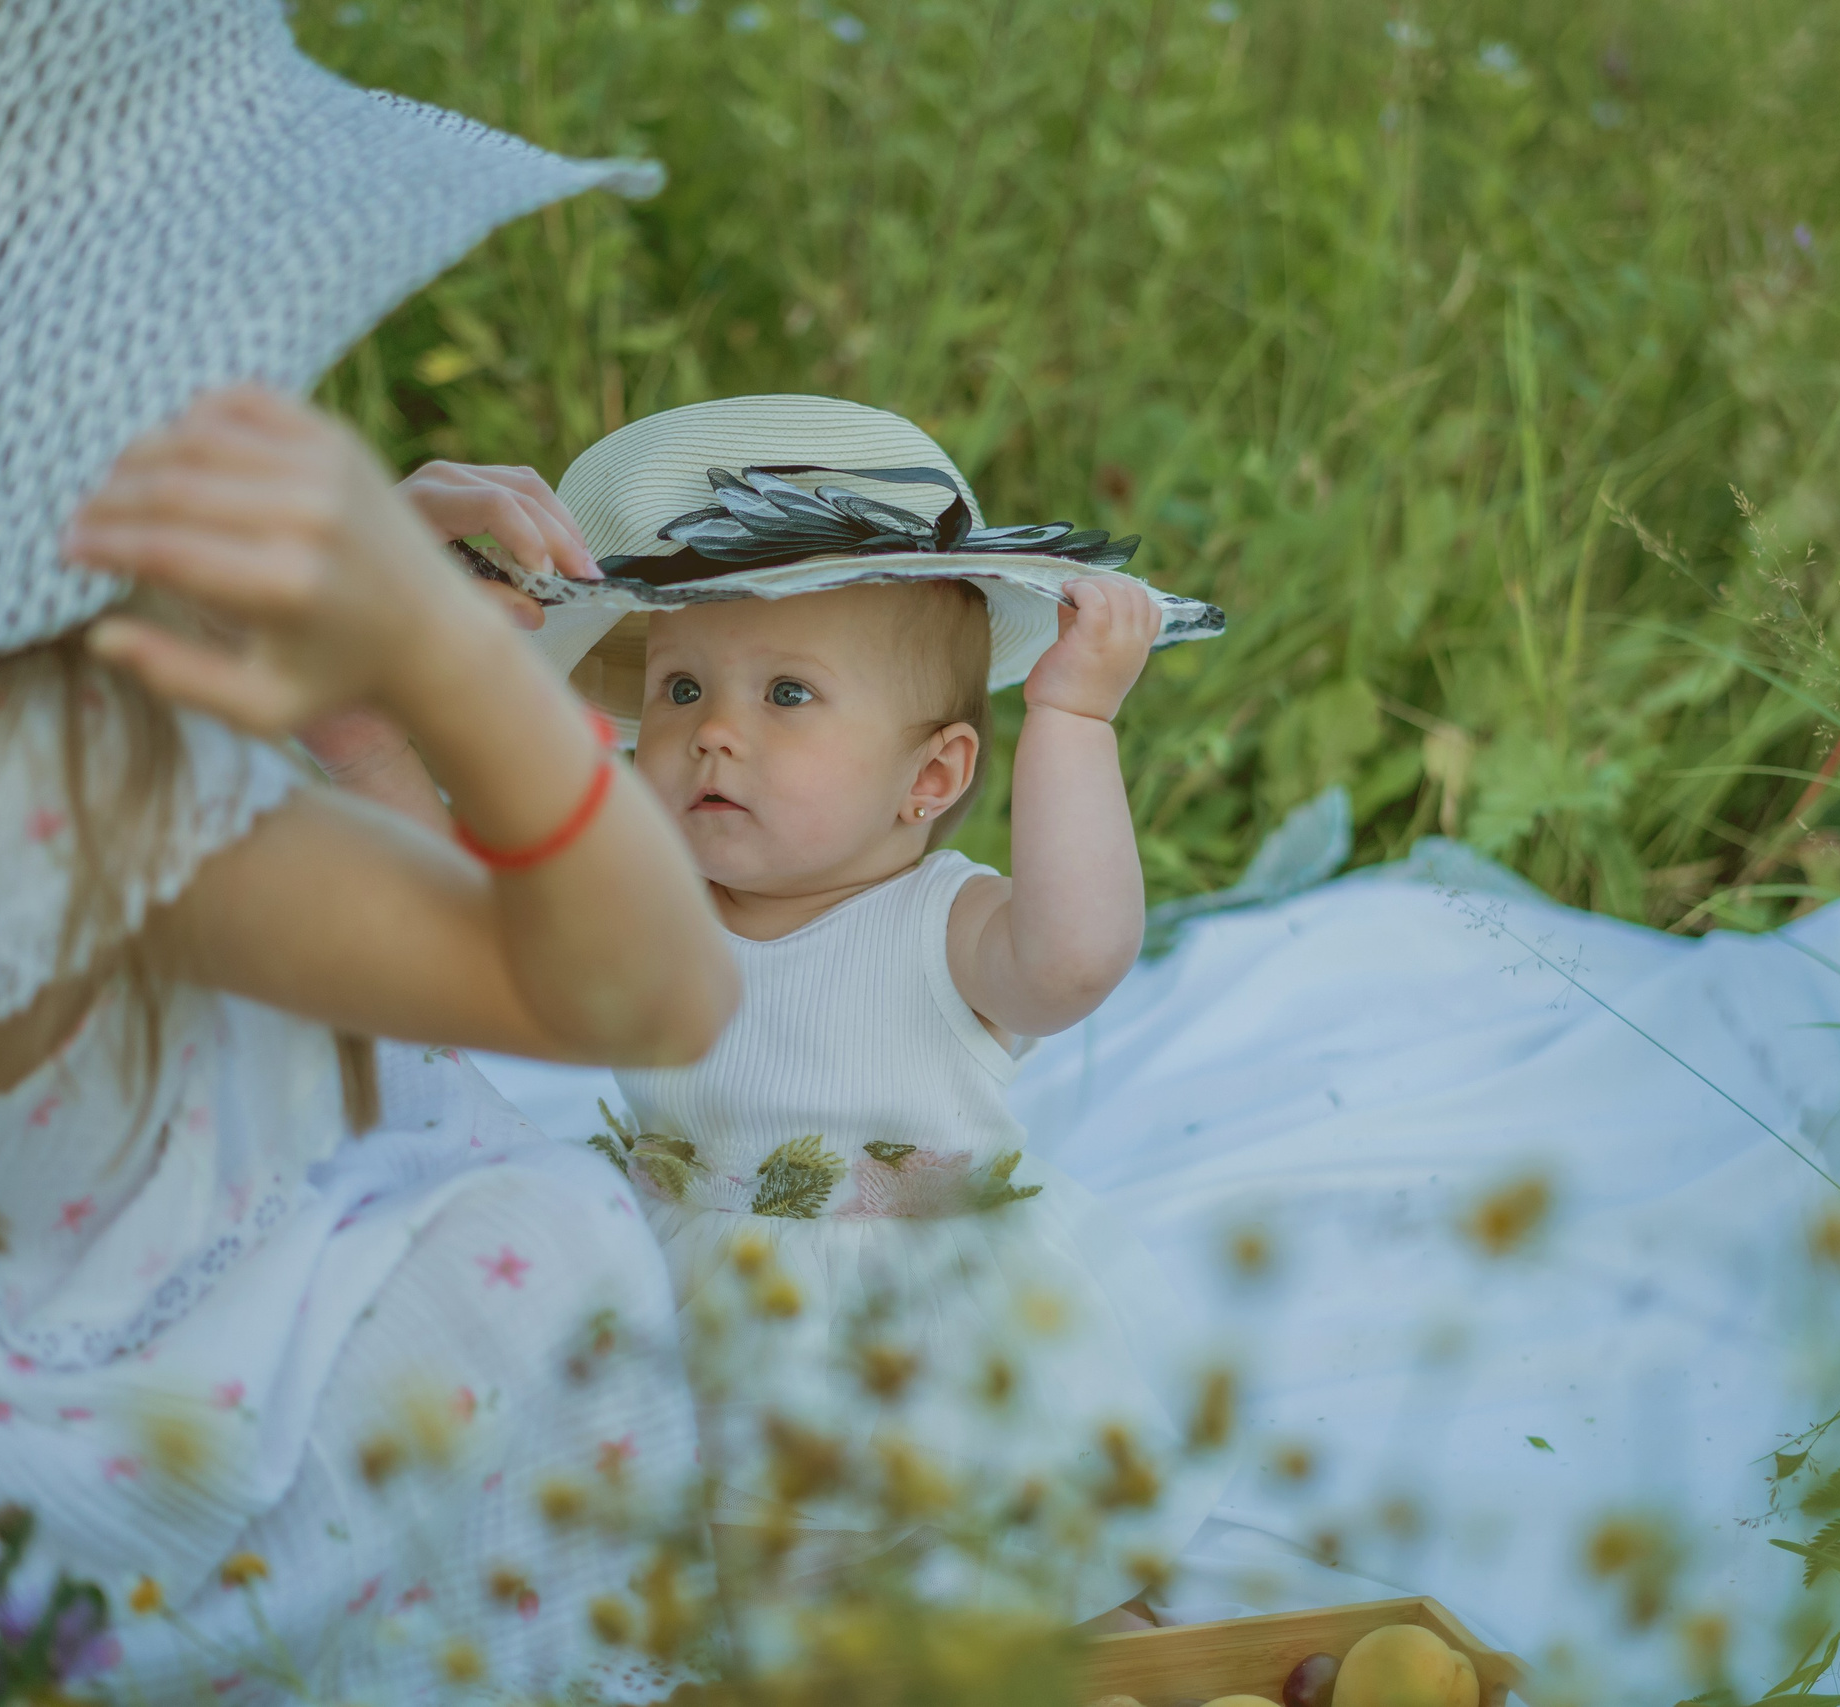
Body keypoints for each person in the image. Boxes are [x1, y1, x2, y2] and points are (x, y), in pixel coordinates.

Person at [0, 3, 734, 1701]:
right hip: (107, 1531)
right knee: (545, 1248)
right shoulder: (78, 787)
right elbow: (652, 992)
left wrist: (292, 670)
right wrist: (443, 658)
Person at [329, 395, 1237, 1621]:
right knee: (671, 1569)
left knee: (985, 1576)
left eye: (788, 695)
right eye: (681, 688)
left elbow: (1073, 961)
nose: (712, 734)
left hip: (909, 1342)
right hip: (687, 1303)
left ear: (931, 776)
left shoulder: (945, 927)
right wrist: (368, 745)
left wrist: (1072, 723)